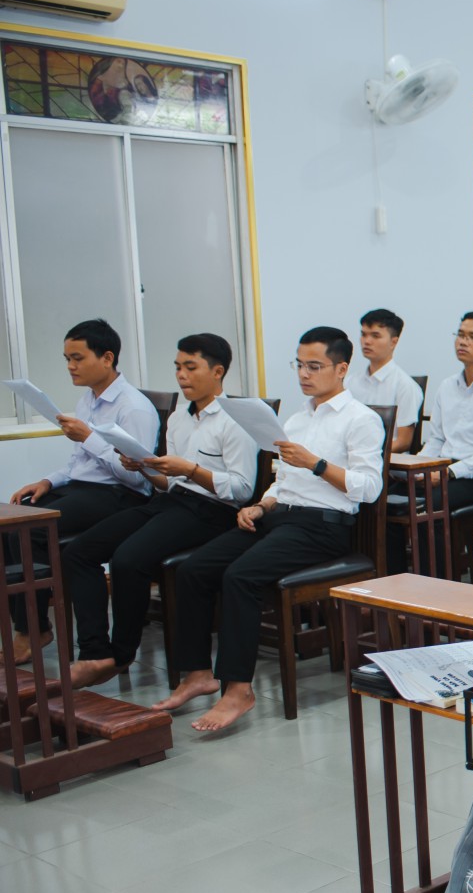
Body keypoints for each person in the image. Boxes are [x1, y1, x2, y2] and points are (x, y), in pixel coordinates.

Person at [161, 327, 385, 732]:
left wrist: (316, 464)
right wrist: (260, 506)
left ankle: (238, 689)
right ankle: (197, 674)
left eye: (314, 366)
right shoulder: (296, 419)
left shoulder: (361, 419)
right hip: (281, 517)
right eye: (299, 365)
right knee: (193, 569)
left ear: (341, 369)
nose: (304, 374)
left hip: (323, 525)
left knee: (239, 576)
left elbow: (369, 489)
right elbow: (282, 482)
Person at [64, 334, 258, 689]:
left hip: (212, 512)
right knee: (79, 551)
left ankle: (121, 654)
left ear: (217, 372)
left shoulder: (234, 420)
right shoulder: (180, 417)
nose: (181, 375)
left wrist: (190, 470)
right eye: (178, 367)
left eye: (191, 367)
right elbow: (167, 483)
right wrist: (144, 467)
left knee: (127, 559)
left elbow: (242, 489)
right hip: (171, 501)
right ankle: (95, 652)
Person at [6, 318, 158, 663]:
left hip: (120, 495)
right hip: (84, 488)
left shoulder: (133, 408)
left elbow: (138, 479)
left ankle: (33, 629)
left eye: (77, 358)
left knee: (31, 529)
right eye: (67, 359)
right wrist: (48, 481)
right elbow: (79, 462)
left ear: (107, 358)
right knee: (12, 522)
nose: (70, 367)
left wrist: (90, 438)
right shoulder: (88, 401)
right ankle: (30, 625)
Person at [393, 312, 473, 570]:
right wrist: (419, 467)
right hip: (443, 469)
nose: (463, 342)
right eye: (460, 335)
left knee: (428, 507)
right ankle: (395, 581)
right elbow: (437, 439)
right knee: (388, 499)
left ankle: (437, 585)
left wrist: (448, 473)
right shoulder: (447, 387)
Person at [345, 308, 423, 452]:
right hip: (351, 456)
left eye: (375, 336)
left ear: (393, 342)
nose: (367, 341)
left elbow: (403, 442)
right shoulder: (350, 382)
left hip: (388, 461)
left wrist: (368, 454)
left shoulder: (405, 386)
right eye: (363, 334)